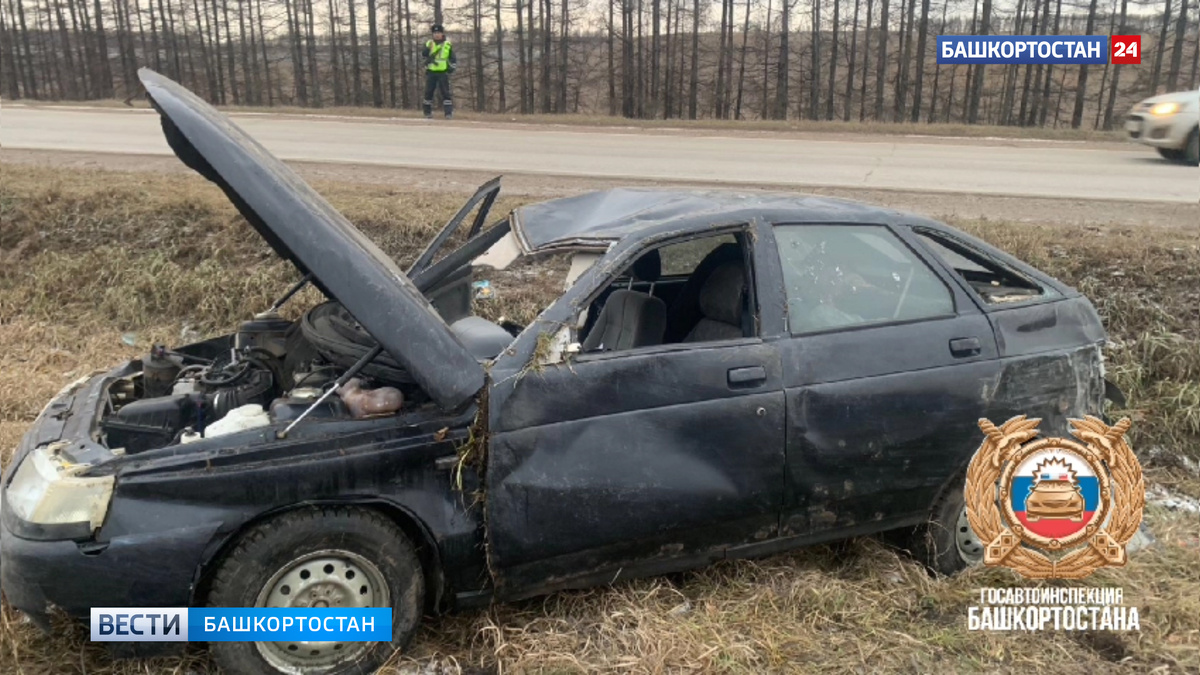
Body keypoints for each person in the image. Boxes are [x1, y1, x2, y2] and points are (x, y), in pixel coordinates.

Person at [423, 24, 456, 119]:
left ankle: (448, 113)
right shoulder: (429, 43)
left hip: (443, 72)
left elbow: (452, 58)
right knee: (428, 92)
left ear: (442, 34)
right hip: (431, 72)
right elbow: (424, 55)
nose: (437, 35)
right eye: (435, 33)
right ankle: (427, 112)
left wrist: (452, 68)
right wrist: (426, 53)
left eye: (438, 33)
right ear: (432, 34)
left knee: (445, 93)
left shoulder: (447, 44)